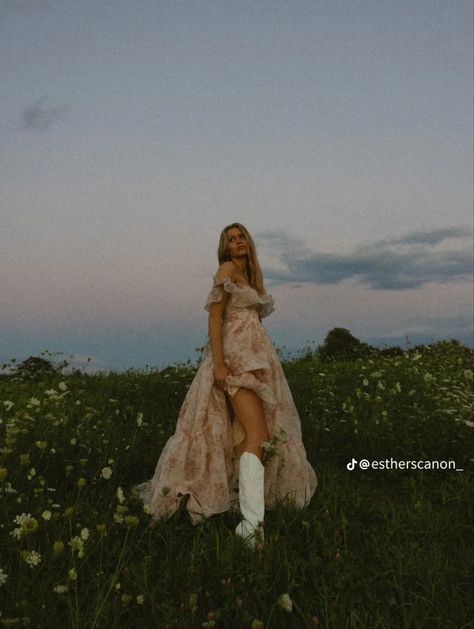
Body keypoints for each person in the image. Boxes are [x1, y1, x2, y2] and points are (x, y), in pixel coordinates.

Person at [134, 223, 317, 547]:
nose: (238, 242)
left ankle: (247, 515)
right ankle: (251, 526)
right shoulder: (227, 269)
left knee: (257, 434)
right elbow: (215, 318)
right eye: (231, 240)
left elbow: (252, 322)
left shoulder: (253, 275)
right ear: (225, 248)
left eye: (241, 236)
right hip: (235, 359)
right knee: (257, 435)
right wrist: (219, 364)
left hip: (258, 357)